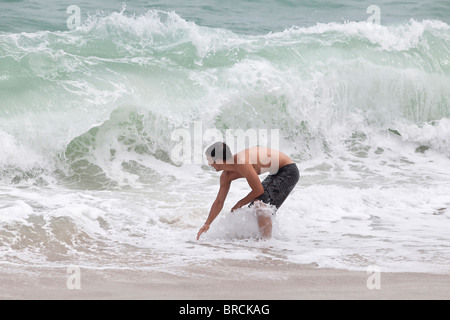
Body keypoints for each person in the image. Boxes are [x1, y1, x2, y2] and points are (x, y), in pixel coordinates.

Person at [197, 142, 299, 240]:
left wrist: (239, 204)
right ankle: (261, 241)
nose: (209, 164)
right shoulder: (226, 176)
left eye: (209, 160)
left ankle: (267, 245)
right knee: (252, 210)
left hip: (288, 170)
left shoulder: (241, 162)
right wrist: (207, 223)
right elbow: (219, 202)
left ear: (218, 160)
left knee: (259, 205)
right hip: (275, 173)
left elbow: (258, 190)